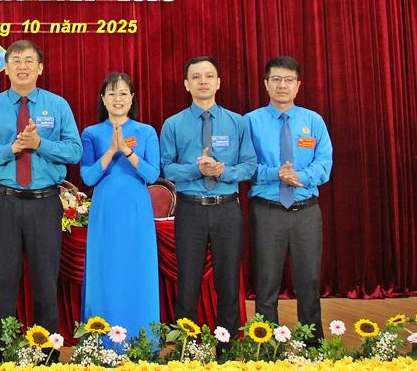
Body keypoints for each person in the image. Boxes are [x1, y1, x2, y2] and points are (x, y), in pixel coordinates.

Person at [0, 40, 82, 356]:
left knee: (45, 279)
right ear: (6, 68)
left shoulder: (57, 106)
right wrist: (13, 148)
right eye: (16, 60)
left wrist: (39, 144)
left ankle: (46, 352)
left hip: (45, 202)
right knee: (4, 280)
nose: (22, 66)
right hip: (4, 202)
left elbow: (75, 151)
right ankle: (2, 350)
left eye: (29, 60)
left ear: (40, 68)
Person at [160, 56, 255, 341]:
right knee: (188, 282)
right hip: (191, 210)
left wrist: (223, 171)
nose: (203, 82)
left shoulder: (237, 122)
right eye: (196, 77)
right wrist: (196, 169)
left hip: (227, 209)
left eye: (209, 76)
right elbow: (167, 168)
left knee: (228, 282)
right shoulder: (173, 124)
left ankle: (227, 349)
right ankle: (186, 349)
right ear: (186, 84)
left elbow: (249, 165)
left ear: (218, 82)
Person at [246, 56, 332, 347]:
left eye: (289, 80)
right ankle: (266, 346)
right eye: (276, 79)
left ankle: (312, 346)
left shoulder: (313, 121)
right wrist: (276, 174)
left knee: (309, 282)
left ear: (298, 85)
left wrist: (301, 177)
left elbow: (325, 163)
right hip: (267, 211)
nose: (282, 85)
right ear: (266, 84)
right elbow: (245, 165)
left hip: (306, 212)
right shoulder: (250, 122)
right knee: (266, 282)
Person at [79, 72, 160, 345]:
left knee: (137, 272)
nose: (118, 98)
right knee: (105, 273)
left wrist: (127, 151)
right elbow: (88, 177)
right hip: (105, 212)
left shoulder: (146, 132)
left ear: (132, 98)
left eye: (123, 93)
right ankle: (101, 344)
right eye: (111, 93)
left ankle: (142, 342)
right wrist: (111, 150)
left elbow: (152, 174)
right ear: (103, 99)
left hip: (136, 212)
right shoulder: (91, 133)